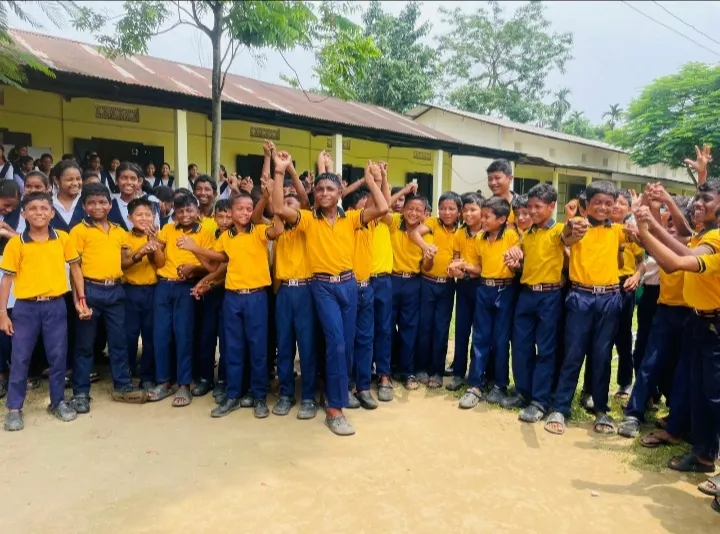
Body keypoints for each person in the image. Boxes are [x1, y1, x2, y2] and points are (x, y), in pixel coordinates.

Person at [272, 150, 388, 436]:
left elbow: (383, 208)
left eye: (330, 189)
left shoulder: (352, 218)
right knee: (336, 342)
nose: (324, 193)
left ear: (339, 193)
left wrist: (371, 181)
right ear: (314, 192)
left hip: (349, 284)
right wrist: (281, 171)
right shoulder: (307, 220)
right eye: (320, 189)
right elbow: (278, 208)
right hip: (321, 286)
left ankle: (335, 392)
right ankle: (335, 411)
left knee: (345, 346)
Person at [179, 185, 284, 418]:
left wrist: (268, 198)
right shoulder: (226, 237)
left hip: (256, 296)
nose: (245, 212)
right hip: (233, 297)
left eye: (249, 208)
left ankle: (258, 396)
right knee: (233, 348)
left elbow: (277, 229)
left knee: (257, 348)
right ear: (231, 211)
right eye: (240, 209)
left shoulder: (259, 231)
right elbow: (220, 258)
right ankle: (233, 395)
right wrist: (196, 249)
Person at [635, 201, 720, 478]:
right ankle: (703, 455)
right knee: (700, 392)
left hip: (714, 325)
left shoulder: (715, 241)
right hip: (701, 321)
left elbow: (675, 262)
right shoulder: (706, 239)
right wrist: (652, 225)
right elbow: (681, 248)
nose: (699, 206)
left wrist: (646, 229)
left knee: (715, 397)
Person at [0, 191, 91, 431]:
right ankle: (14, 408)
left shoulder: (62, 238)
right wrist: (2, 313)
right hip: (25, 307)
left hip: (55, 305)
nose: (38, 213)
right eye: (33, 209)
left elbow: (76, 269)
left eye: (44, 208)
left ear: (52, 213)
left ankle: (57, 401)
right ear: (23, 214)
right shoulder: (16, 243)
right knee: (20, 357)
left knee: (58, 356)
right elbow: (6, 280)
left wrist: (81, 299)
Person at [545, 180, 628, 436]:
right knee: (573, 353)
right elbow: (566, 236)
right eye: (597, 203)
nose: (603, 207)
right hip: (581, 296)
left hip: (610, 298)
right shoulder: (579, 226)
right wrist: (572, 226)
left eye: (608, 203)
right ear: (586, 205)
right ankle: (561, 407)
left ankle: (601, 408)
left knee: (602, 356)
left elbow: (640, 240)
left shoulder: (618, 231)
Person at [69, 183, 148, 413]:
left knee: (118, 341)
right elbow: (75, 269)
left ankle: (122, 385)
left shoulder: (118, 231)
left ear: (110, 205)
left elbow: (125, 261)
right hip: (90, 290)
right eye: (91, 203)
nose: (97, 207)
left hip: (115, 290)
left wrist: (141, 252)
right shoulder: (79, 231)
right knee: (85, 345)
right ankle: (81, 392)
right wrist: (79, 300)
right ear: (84, 206)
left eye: (102, 202)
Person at [618, 204, 691, 438]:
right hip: (665, 309)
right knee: (650, 362)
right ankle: (634, 413)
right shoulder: (663, 244)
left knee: (682, 369)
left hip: (692, 314)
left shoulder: (697, 245)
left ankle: (677, 417)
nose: (669, 228)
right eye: (667, 223)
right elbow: (652, 241)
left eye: (674, 223)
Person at [501, 184, 565, 422]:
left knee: (545, 350)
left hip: (549, 296)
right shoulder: (528, 234)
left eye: (538, 207)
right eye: (530, 207)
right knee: (520, 346)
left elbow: (570, 237)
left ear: (552, 206)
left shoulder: (558, 231)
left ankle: (540, 401)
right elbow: (523, 260)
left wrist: (574, 223)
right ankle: (523, 392)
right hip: (527, 294)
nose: (532, 211)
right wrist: (515, 260)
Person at [451, 197, 519, 408]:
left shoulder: (511, 236)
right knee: (479, 338)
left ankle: (499, 385)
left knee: (500, 341)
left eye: (487, 216)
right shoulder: (480, 238)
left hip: (505, 290)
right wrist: (464, 267)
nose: (483, 220)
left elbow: (517, 262)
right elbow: (480, 268)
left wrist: (515, 262)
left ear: (501, 219)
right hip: (484, 289)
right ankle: (475, 385)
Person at [147, 194, 214, 407]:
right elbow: (159, 263)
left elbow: (212, 266)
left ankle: (184, 384)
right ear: (174, 213)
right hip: (164, 286)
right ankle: (164, 382)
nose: (185, 215)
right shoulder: (167, 230)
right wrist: (154, 244)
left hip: (187, 287)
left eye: (189, 210)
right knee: (161, 335)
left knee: (184, 336)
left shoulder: (205, 232)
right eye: (180, 211)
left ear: (197, 211)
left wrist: (194, 268)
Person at [269, 175, 320, 418]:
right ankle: (286, 393)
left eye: (292, 204)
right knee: (285, 344)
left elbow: (304, 201)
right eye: (284, 204)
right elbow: (274, 209)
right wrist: (273, 188)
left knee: (307, 346)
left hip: (306, 291)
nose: (286, 208)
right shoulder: (277, 230)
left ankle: (308, 396)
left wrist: (287, 170)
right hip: (284, 292)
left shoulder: (308, 226)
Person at [409, 191, 461, 388]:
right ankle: (420, 367)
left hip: (447, 285)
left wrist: (457, 267)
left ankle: (437, 371)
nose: (446, 212)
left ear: (459, 211)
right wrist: (426, 247)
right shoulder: (432, 223)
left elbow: (459, 256)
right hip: (427, 282)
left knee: (441, 327)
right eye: (443, 208)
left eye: (451, 209)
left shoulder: (460, 232)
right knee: (424, 326)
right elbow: (414, 233)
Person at [388, 188, 425, 390]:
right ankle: (387, 369)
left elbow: (427, 263)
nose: (413, 213)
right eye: (410, 208)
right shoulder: (394, 222)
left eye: (418, 210)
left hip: (413, 282)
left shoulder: (427, 230)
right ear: (403, 209)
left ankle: (407, 370)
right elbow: (384, 206)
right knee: (387, 326)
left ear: (424, 213)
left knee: (409, 328)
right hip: (392, 280)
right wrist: (404, 190)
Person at [446, 193, 483, 391]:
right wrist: (455, 269)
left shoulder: (487, 234)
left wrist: (465, 267)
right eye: (465, 210)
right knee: (461, 330)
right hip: (463, 286)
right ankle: (458, 373)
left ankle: (476, 375)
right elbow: (456, 258)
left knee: (479, 334)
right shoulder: (460, 234)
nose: (468, 214)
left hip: (482, 287)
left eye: (473, 210)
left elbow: (486, 267)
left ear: (482, 211)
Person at [610, 189, 645, 398]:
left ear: (629, 208)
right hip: (603, 285)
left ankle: (625, 382)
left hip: (625, 286)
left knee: (623, 336)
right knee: (600, 339)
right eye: (614, 202)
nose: (616, 206)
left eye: (622, 203)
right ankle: (591, 387)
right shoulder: (599, 228)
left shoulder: (631, 233)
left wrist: (636, 276)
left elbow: (642, 261)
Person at [122, 198, 159, 391]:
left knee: (150, 336)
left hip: (153, 291)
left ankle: (147, 376)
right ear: (130, 218)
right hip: (130, 291)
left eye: (148, 215)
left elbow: (160, 263)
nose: (144, 218)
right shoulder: (124, 237)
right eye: (139, 215)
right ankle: (126, 374)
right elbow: (123, 264)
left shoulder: (159, 236)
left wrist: (154, 245)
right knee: (129, 335)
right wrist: (141, 251)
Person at [109, 162, 160, 231]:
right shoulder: (110, 206)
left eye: (133, 179)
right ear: (116, 180)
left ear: (139, 181)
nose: (129, 182)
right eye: (124, 178)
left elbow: (157, 231)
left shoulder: (150, 204)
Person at [50, 160, 85, 232]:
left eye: (78, 179)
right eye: (69, 179)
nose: (75, 183)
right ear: (56, 180)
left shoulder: (87, 202)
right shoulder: (49, 204)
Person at [486, 159, 516, 226]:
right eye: (490, 179)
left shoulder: (521, 205)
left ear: (510, 179)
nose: (493, 183)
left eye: (497, 178)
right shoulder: (486, 206)